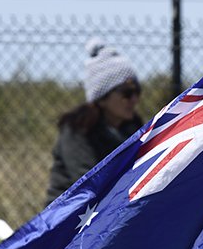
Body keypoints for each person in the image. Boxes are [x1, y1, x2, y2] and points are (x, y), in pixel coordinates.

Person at [44, 38, 143, 206]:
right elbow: (89, 184)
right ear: (102, 98)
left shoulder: (135, 131)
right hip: (71, 217)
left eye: (137, 92)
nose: (134, 99)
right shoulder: (77, 131)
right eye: (126, 93)